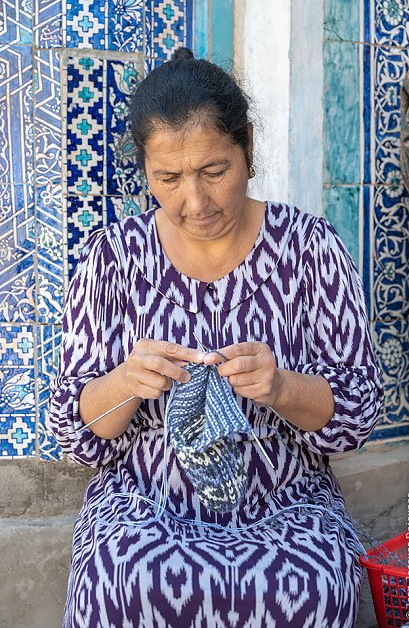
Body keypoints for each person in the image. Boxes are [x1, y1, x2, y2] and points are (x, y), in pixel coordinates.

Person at [49, 47, 383, 627]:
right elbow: (77, 437)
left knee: (312, 582)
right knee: (120, 577)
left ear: (247, 149)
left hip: (288, 503)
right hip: (144, 504)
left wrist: (280, 386)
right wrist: (127, 382)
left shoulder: (310, 249)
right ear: (145, 171)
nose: (195, 202)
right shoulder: (112, 259)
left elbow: (357, 415)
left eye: (214, 171)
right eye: (169, 178)